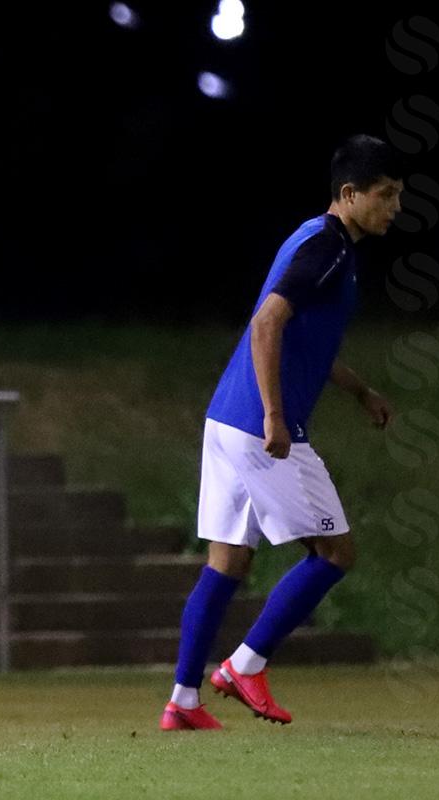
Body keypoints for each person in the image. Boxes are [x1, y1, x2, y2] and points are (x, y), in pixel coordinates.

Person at [160, 135, 402, 731]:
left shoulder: (317, 239)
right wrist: (274, 416)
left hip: (226, 418)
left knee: (226, 562)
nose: (394, 207)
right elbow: (267, 323)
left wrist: (359, 390)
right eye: (386, 194)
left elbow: (305, 342)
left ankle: (183, 702)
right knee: (336, 552)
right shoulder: (327, 249)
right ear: (349, 195)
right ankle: (246, 664)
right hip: (261, 425)